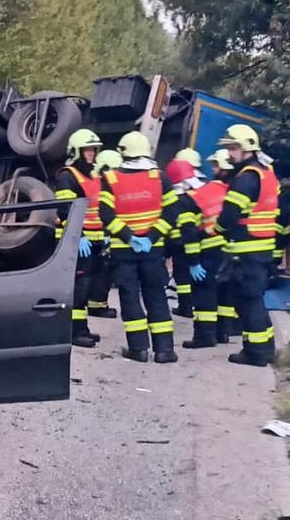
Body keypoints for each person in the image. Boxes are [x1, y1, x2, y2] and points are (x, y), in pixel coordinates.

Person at [99, 131, 195, 363]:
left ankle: (139, 349)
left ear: (123, 152)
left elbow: (106, 214)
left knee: (130, 297)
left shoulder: (111, 178)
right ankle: (164, 350)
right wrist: (151, 237)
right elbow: (172, 212)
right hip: (153, 251)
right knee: (156, 296)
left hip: (124, 251)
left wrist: (129, 236)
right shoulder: (159, 178)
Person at [217, 124, 281, 367]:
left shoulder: (245, 179)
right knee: (254, 300)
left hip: (246, 250)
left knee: (248, 302)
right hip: (262, 248)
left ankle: (256, 354)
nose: (230, 154)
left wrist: (219, 231)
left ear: (247, 149)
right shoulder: (267, 173)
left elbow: (228, 216)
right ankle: (264, 349)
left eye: (233, 148)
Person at [53, 128, 106, 348]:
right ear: (76, 151)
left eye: (94, 149)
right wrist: (80, 236)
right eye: (87, 150)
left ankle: (81, 328)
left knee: (87, 286)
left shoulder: (94, 175)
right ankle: (74, 332)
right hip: (76, 240)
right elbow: (66, 209)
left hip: (93, 241)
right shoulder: (67, 176)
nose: (92, 153)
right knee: (79, 287)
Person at [180, 151, 231, 349]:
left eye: (216, 166)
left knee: (205, 293)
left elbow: (189, 229)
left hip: (210, 251)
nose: (214, 169)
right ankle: (223, 333)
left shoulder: (201, 193)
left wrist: (193, 260)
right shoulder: (239, 192)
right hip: (234, 250)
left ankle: (204, 336)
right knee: (226, 293)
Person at [163, 149, 205, 323]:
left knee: (183, 276)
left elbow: (187, 229)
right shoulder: (199, 192)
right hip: (193, 242)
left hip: (183, 243)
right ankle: (187, 306)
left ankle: (186, 306)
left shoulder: (182, 200)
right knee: (185, 277)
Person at [85, 148, 122, 319]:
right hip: (100, 236)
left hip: (89, 236)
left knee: (91, 273)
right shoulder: (107, 187)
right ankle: (98, 306)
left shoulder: (91, 182)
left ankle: (93, 304)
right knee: (102, 273)